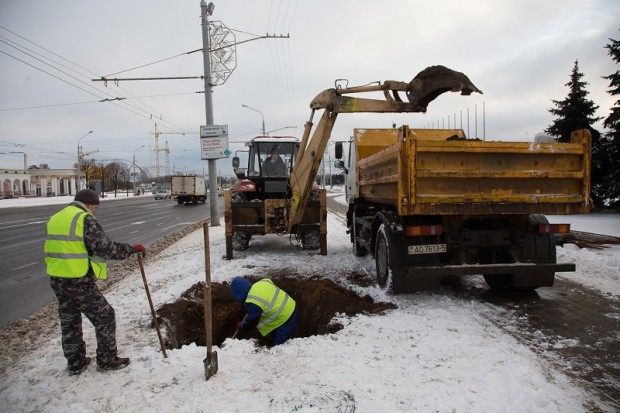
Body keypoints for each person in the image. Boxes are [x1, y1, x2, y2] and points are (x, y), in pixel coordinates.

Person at [44, 189, 146, 375]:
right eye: (95, 207)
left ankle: (76, 362)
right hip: (78, 280)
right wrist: (131, 249)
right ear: (89, 204)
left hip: (58, 279)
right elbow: (105, 248)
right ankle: (107, 359)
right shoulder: (84, 218)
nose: (95, 211)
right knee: (105, 316)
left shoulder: (57, 218)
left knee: (70, 320)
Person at [231, 277, 299, 346]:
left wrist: (242, 325)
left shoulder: (253, 302)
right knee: (273, 335)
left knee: (278, 348)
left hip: (287, 317)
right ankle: (271, 338)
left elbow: (252, 321)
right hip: (289, 304)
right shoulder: (262, 282)